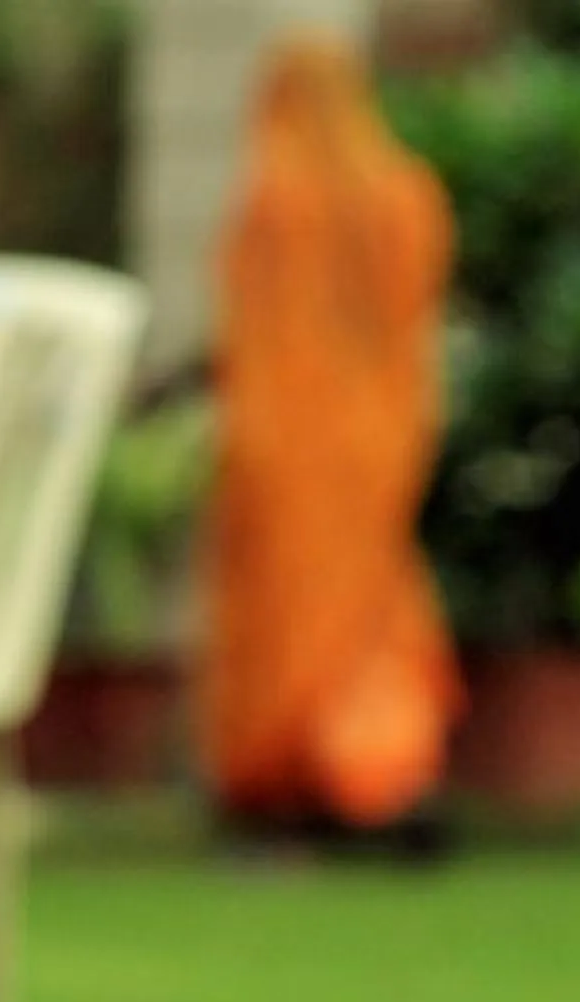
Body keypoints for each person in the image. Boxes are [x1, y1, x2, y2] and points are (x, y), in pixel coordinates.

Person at [204, 32, 461, 852]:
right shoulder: (408, 193)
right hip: (381, 439)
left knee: (294, 610)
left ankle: (304, 774)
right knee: (369, 607)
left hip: (288, 443)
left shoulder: (274, 201)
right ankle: (383, 772)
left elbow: (245, 331)